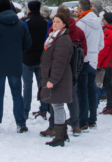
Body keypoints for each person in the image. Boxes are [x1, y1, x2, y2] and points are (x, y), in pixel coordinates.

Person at [0, 0, 32, 133]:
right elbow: (28, 43)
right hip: (15, 63)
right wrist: (18, 52)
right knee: (17, 94)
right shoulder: (20, 24)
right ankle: (21, 123)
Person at [41, 5, 86, 137]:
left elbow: (53, 54)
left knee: (55, 100)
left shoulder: (55, 33)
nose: (54, 23)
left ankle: (54, 127)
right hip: (73, 68)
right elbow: (84, 48)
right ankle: (75, 124)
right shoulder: (78, 30)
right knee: (72, 98)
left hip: (59, 69)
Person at [39, 11, 75, 148]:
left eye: (58, 22)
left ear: (64, 24)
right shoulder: (54, 37)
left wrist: (52, 79)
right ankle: (63, 134)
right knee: (56, 105)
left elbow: (59, 63)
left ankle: (59, 137)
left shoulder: (63, 40)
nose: (54, 24)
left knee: (58, 106)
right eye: (54, 21)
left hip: (58, 79)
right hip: (54, 77)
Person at [75, 0, 104, 131]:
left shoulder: (81, 23)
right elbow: (101, 44)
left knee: (82, 91)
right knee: (92, 90)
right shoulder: (98, 22)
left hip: (83, 59)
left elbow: (78, 43)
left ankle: (82, 121)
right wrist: (94, 52)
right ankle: (92, 119)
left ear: (80, 9)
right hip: (94, 59)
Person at [22, 1, 50, 120]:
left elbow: (24, 39)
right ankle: (44, 108)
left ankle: (25, 111)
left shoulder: (25, 22)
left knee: (27, 86)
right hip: (42, 57)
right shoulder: (47, 23)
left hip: (27, 57)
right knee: (42, 85)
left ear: (29, 9)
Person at [97, 12, 112, 115]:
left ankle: (110, 107)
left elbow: (104, 50)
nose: (102, 20)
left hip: (108, 63)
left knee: (108, 85)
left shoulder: (109, 32)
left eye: (103, 19)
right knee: (111, 85)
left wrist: (97, 63)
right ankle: (111, 106)